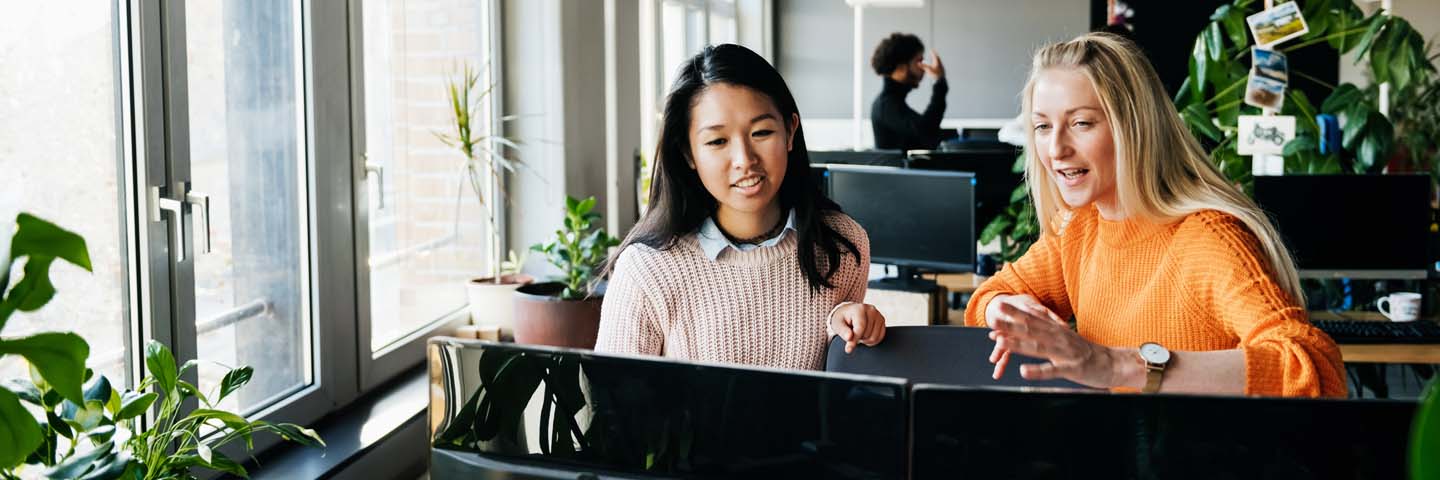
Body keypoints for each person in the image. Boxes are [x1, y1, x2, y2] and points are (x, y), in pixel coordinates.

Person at [966, 32, 1346, 398]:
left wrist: (1121, 366)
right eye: (1043, 127)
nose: (1056, 148)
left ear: (1134, 127)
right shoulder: (1081, 228)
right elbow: (986, 298)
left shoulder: (1207, 237)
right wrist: (1008, 309)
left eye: (1081, 123)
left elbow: (1313, 367)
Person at [596, 43, 887, 371]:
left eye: (761, 132)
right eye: (717, 141)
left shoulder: (841, 245)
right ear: (689, 153)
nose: (745, 160)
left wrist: (850, 326)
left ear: (790, 132)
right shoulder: (647, 269)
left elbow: (830, 375)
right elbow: (615, 406)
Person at [870, 32, 947, 151]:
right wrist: (939, 82)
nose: (924, 68)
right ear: (901, 67)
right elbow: (927, 130)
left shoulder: (889, 102)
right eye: (919, 61)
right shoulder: (886, 105)